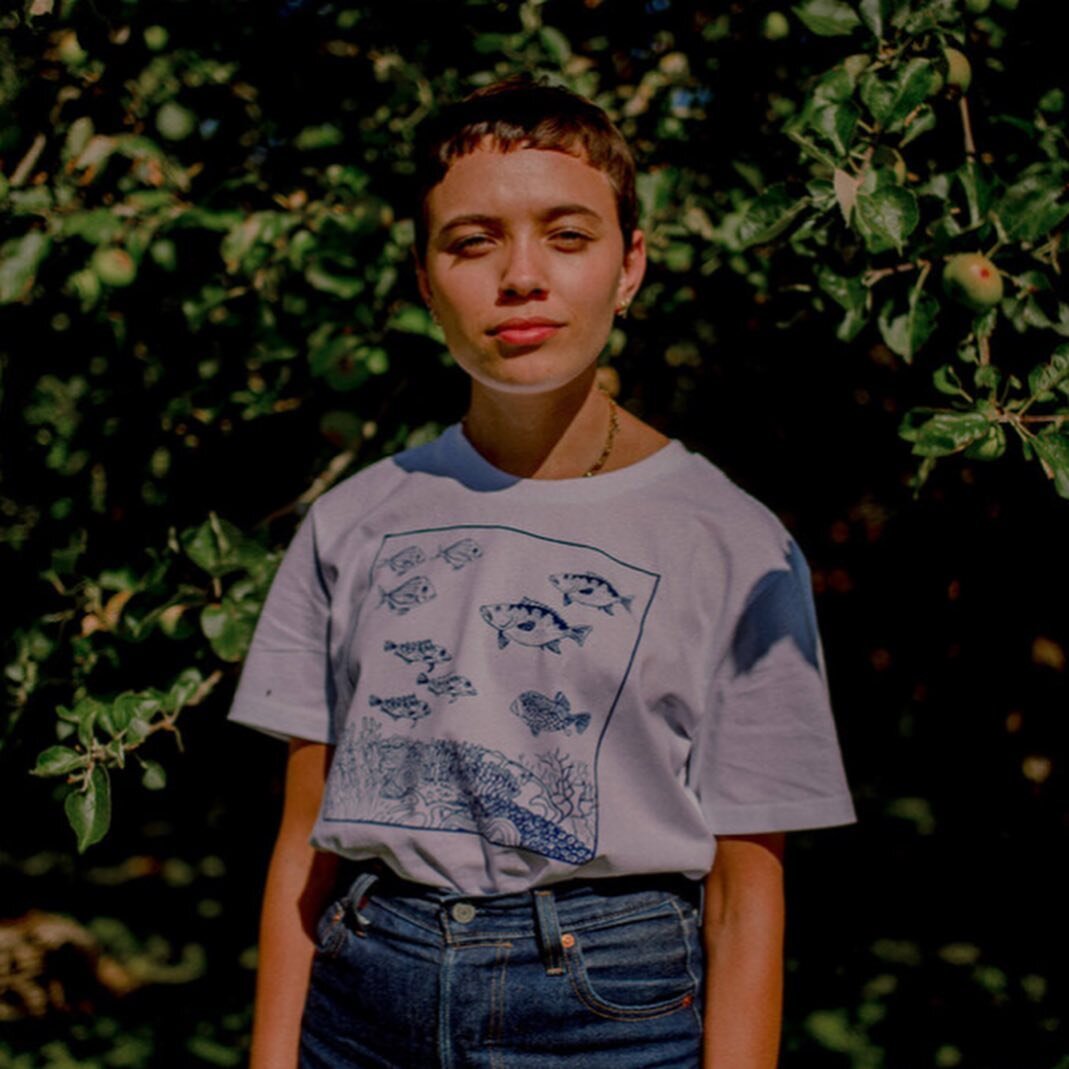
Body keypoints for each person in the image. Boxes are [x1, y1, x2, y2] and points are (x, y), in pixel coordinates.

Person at [229, 77, 855, 1069]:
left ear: (629, 265)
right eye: (471, 241)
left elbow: (746, 895)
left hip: (608, 1005)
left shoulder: (731, 544)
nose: (521, 276)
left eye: (567, 235)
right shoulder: (353, 520)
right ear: (425, 278)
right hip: (362, 991)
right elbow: (302, 844)